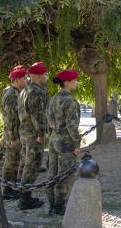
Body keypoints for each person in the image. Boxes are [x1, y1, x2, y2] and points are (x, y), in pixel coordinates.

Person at [46, 69, 82, 215]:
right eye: (74, 80)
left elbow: (48, 121)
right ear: (67, 83)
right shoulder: (71, 101)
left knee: (52, 172)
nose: (77, 82)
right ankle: (60, 207)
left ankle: (52, 204)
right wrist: (77, 144)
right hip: (66, 142)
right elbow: (71, 126)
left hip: (53, 139)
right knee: (65, 174)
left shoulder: (53, 99)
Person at [17, 61, 48, 210]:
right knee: (32, 166)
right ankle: (25, 200)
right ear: (39, 75)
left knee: (25, 164)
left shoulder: (24, 90)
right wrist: (42, 134)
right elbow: (37, 115)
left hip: (24, 132)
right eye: (45, 74)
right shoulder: (35, 91)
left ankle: (24, 195)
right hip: (33, 135)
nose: (46, 77)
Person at [1, 65, 28, 200]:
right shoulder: (11, 95)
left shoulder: (17, 92)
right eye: (24, 78)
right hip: (13, 135)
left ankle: (11, 186)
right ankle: (7, 190)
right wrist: (13, 137)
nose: (27, 80)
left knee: (16, 161)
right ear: (17, 80)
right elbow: (11, 118)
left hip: (17, 134)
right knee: (11, 162)